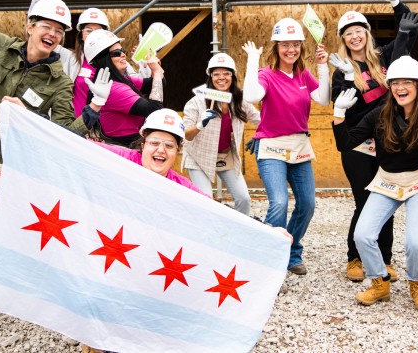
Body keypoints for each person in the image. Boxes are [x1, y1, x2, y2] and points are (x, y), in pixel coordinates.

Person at [0, 0, 108, 334]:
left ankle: (54, 301)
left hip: (18, 167)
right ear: (30, 27)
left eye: (59, 31)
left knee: (36, 237)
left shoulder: (59, 82)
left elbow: (64, 130)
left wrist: (94, 109)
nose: (52, 34)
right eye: (46, 26)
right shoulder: (0, 48)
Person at [85, 109, 292, 353]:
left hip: (143, 260)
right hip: (109, 252)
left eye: (169, 146)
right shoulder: (120, 159)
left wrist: (266, 230)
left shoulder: (180, 187)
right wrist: (28, 120)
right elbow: (71, 144)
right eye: (155, 143)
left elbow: (219, 216)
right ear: (143, 144)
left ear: (176, 152)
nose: (161, 150)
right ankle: (93, 333)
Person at [332, 56, 418, 309]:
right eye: (395, 83)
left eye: (407, 82)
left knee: (416, 242)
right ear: (389, 86)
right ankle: (380, 283)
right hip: (387, 180)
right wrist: (339, 113)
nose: (401, 88)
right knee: (363, 234)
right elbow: (345, 143)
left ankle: (417, 284)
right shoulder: (380, 114)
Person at [328, 0, 418, 282]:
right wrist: (346, 79)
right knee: (363, 201)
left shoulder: (384, 57)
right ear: (343, 39)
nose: (355, 36)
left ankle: (385, 258)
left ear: (367, 33)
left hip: (387, 142)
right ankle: (354, 257)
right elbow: (345, 107)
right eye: (349, 33)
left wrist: (396, 3)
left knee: (386, 200)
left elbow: (409, 30)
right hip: (356, 143)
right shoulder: (341, 69)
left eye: (359, 31)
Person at [242, 18, 330, 275]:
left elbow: (323, 99)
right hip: (271, 146)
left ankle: (291, 253)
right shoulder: (266, 74)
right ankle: (267, 261)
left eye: (295, 44)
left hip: (299, 145)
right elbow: (251, 97)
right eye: (285, 45)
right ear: (276, 47)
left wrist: (323, 67)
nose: (291, 49)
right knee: (279, 203)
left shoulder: (304, 75)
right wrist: (251, 62)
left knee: (308, 204)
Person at [182, 53, 261, 215]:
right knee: (206, 202)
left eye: (226, 73)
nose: (221, 78)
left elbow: (261, 120)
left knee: (244, 199)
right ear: (210, 77)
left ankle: (238, 233)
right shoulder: (197, 101)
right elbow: (186, 135)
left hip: (226, 156)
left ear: (232, 76)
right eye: (216, 74)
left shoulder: (239, 100)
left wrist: (259, 135)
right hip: (199, 157)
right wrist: (199, 125)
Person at [83, 29, 164, 146]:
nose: (123, 55)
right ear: (103, 59)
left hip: (130, 143)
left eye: (122, 50)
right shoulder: (113, 88)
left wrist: (155, 68)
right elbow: (154, 109)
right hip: (125, 149)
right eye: (117, 52)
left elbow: (154, 85)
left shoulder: (120, 80)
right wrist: (156, 73)